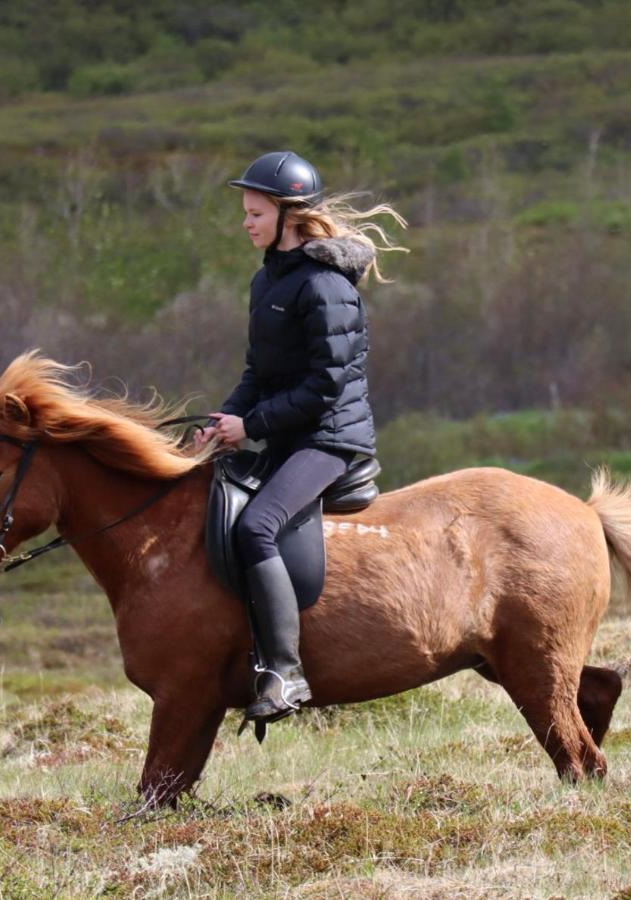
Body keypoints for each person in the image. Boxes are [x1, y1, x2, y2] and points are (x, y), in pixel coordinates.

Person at [195, 150, 406, 724]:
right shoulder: (267, 279)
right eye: (245, 212)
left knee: (258, 527)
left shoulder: (324, 286)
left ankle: (284, 673)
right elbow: (257, 374)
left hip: (330, 441)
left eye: (255, 212)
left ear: (289, 215)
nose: (246, 222)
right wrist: (225, 421)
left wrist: (254, 425)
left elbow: (326, 385)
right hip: (287, 437)